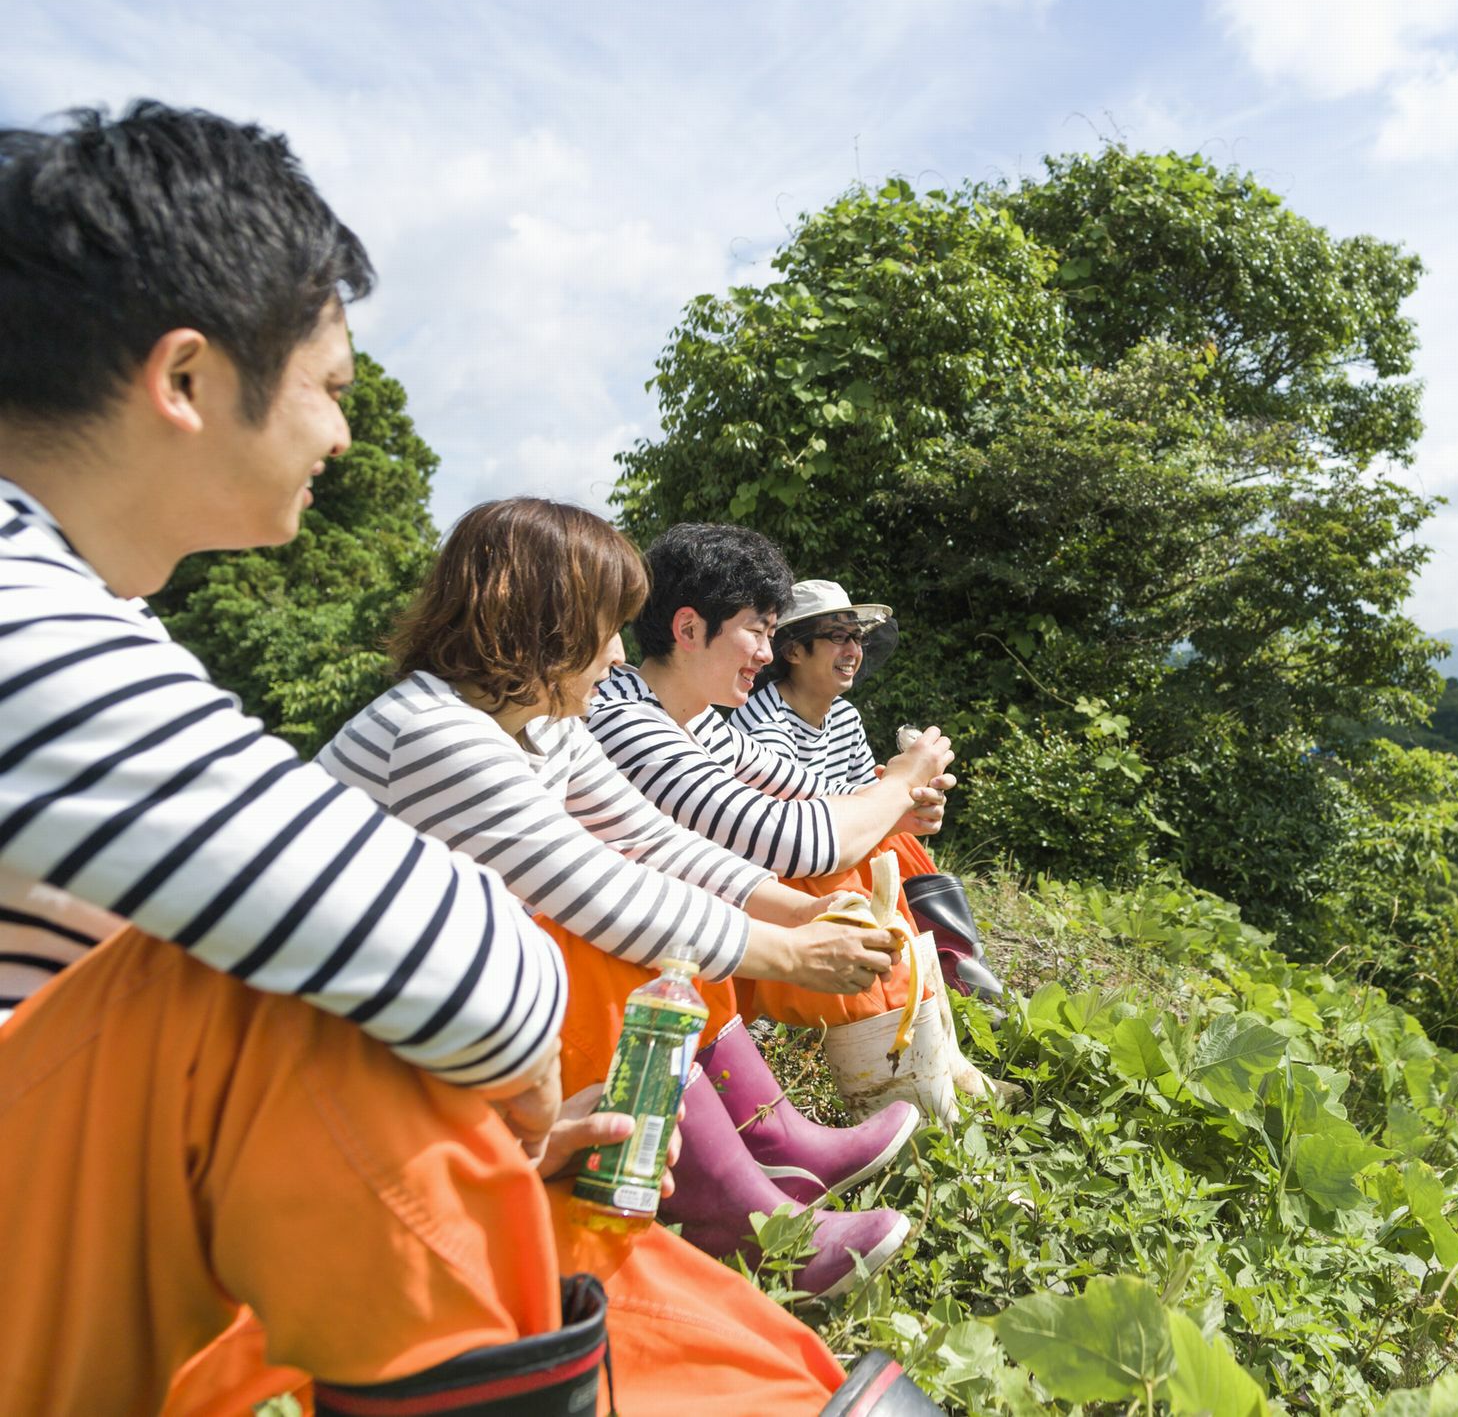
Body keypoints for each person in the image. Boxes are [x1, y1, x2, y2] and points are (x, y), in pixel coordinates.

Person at [0, 104, 940, 1416]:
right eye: (330, 387)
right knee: (303, 1006)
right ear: (188, 379)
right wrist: (493, 1088)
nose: (341, 434)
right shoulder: (22, 602)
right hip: (92, 1197)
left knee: (429, 1055)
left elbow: (638, 855)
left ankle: (755, 1332)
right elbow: (468, 942)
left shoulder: (93, 606)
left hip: (108, 1197)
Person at [319, 497, 922, 1298]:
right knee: (600, 940)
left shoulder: (540, 721)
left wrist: (796, 911)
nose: (613, 655)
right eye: (605, 627)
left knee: (661, 911)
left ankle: (759, 1148)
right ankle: (735, 1212)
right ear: (545, 625)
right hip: (342, 1056)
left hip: (422, 1019)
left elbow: (650, 841)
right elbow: (599, 889)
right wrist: (790, 954)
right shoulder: (434, 733)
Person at [586, 524, 954, 1035]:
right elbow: (789, 842)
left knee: (871, 830)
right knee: (838, 861)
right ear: (688, 630)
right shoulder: (624, 719)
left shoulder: (692, 716)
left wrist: (901, 803)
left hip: (674, 926)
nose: (766, 654)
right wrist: (894, 787)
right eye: (758, 632)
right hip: (630, 954)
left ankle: (924, 1029)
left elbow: (801, 786)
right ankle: (894, 1049)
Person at [732, 579, 1006, 1003]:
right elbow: (792, 826)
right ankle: (919, 986)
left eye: (856, 638)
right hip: (782, 873)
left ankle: (954, 976)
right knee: (883, 845)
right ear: (793, 651)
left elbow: (868, 805)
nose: (853, 651)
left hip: (831, 854)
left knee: (895, 840)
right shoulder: (765, 725)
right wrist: (894, 790)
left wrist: (908, 797)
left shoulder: (844, 716)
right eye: (838, 637)